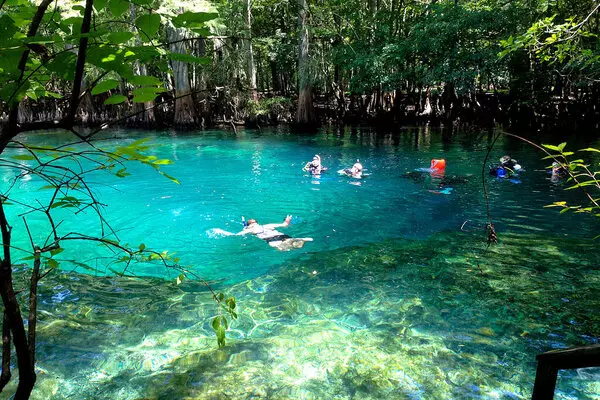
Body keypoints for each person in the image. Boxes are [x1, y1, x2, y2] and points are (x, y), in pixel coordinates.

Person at [238, 215, 313, 251]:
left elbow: (236, 235)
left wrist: (244, 230)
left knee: (282, 249)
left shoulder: (250, 230)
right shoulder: (268, 225)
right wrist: (288, 219)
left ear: (249, 225)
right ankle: (300, 240)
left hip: (272, 240)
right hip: (282, 235)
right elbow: (285, 224)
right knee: (293, 245)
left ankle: (300, 240)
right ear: (257, 222)